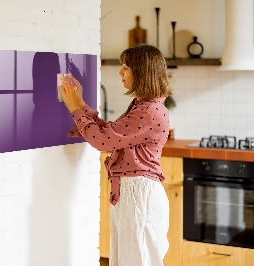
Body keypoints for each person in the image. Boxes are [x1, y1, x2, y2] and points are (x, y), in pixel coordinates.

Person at [59, 44, 171, 266]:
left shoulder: (148, 111)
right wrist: (80, 103)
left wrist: (74, 108)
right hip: (134, 193)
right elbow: (110, 133)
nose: (120, 72)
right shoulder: (144, 106)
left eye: (126, 67)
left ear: (142, 72)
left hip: (139, 195)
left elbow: (102, 141)